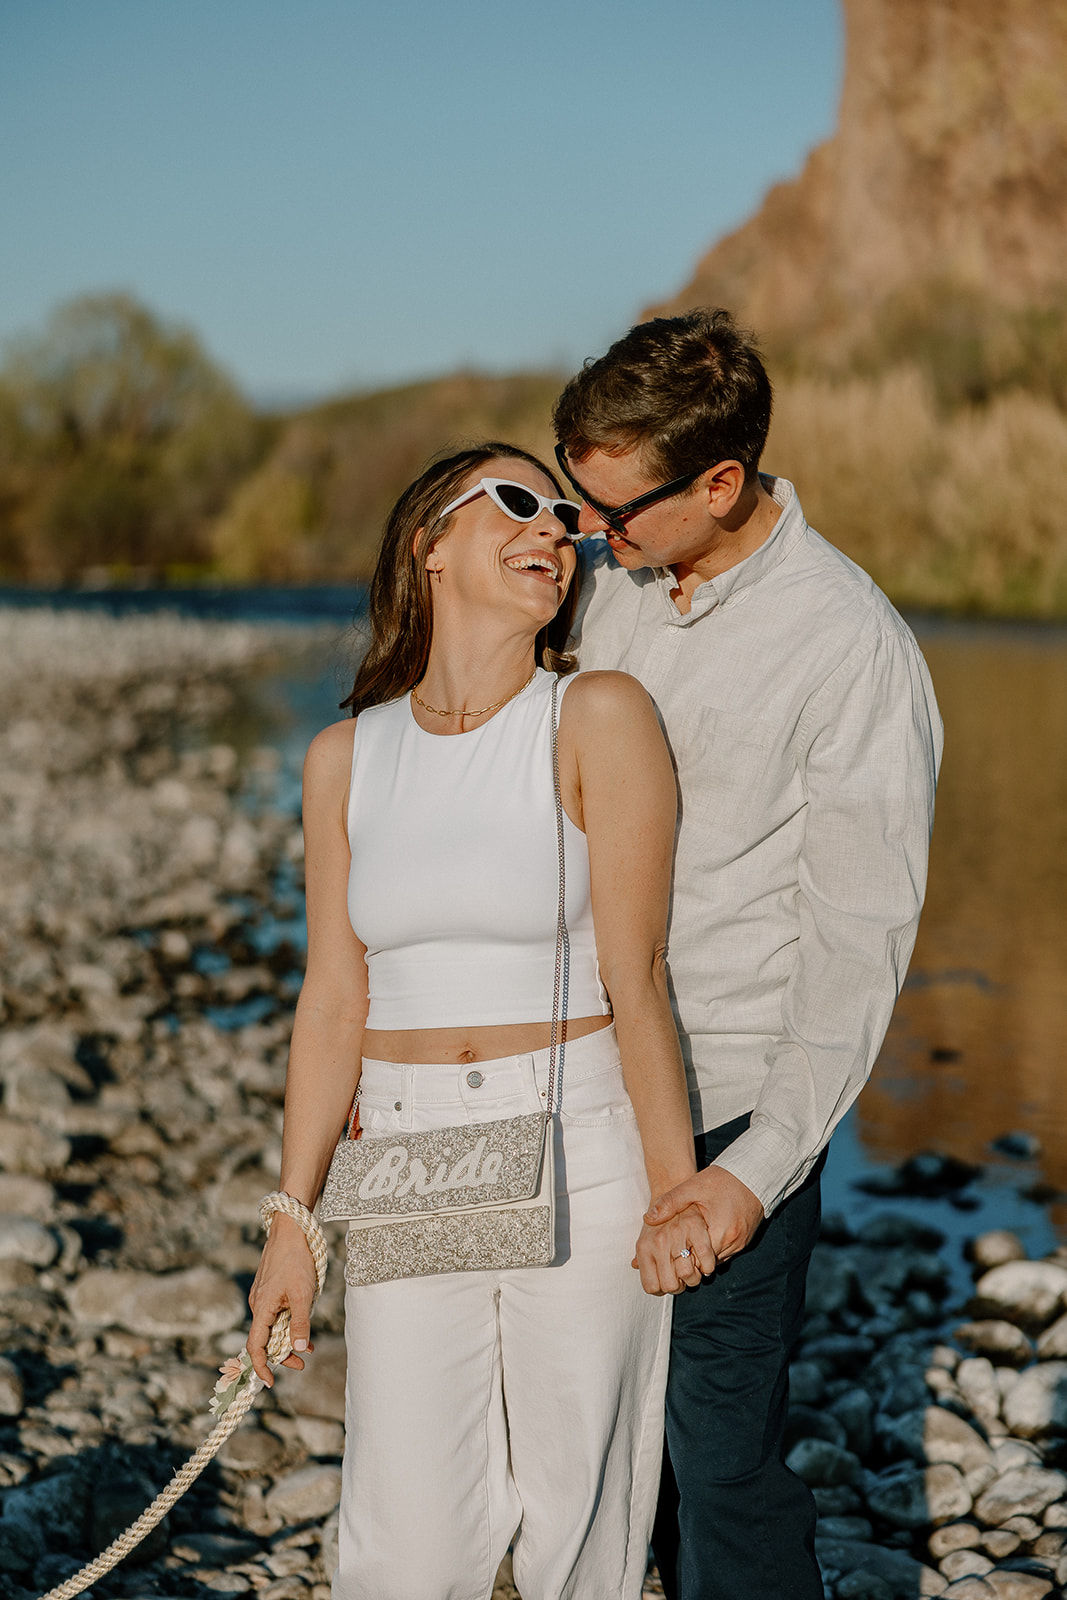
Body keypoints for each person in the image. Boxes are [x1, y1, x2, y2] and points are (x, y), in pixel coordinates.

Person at [246, 441, 703, 1600]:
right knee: (404, 1534)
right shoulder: (345, 755)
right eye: (514, 502)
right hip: (404, 1152)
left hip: (579, 1146)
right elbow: (333, 994)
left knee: (577, 1525)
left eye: (562, 514)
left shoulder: (594, 714)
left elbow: (635, 972)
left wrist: (673, 1190)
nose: (550, 528)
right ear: (429, 544)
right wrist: (292, 1228)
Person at [552, 310, 944, 1600]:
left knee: (717, 1452)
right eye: (580, 501)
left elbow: (855, 946)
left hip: (727, 1107)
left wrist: (752, 1176)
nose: (591, 538)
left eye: (618, 510)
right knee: (586, 1435)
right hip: (569, 1084)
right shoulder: (608, 579)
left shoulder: (849, 650)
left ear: (720, 482)